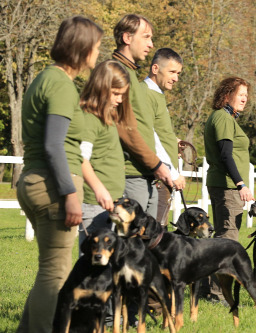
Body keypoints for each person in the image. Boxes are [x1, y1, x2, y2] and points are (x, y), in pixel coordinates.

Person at [15, 16, 103, 332]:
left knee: (48, 273)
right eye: (96, 45)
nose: (98, 51)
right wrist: (69, 194)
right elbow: (54, 146)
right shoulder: (62, 86)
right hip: (52, 188)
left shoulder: (44, 78)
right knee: (55, 275)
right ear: (83, 48)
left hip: (34, 181)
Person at [112, 14, 173, 218]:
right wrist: (157, 165)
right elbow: (125, 130)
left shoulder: (130, 75)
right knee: (130, 244)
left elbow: (142, 127)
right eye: (146, 37)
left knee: (146, 244)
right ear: (127, 38)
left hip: (144, 173)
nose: (151, 44)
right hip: (130, 174)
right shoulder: (116, 72)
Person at [78, 60, 132, 254]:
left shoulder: (107, 119)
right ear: (100, 88)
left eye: (122, 95)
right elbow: (81, 160)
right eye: (116, 94)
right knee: (92, 262)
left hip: (112, 202)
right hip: (94, 203)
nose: (119, 100)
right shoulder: (89, 120)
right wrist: (99, 189)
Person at [204, 76, 254, 240]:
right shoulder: (223, 118)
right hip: (228, 187)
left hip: (227, 186)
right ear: (227, 95)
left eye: (246, 95)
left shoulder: (225, 118)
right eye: (240, 94)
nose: (244, 99)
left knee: (224, 237)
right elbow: (226, 155)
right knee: (228, 239)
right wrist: (241, 184)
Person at [143, 48, 187, 225]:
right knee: (155, 234)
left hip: (164, 176)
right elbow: (149, 135)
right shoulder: (146, 93)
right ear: (155, 69)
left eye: (178, 73)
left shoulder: (158, 94)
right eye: (172, 72)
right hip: (158, 176)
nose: (176, 78)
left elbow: (159, 131)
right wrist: (172, 172)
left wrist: (173, 142)